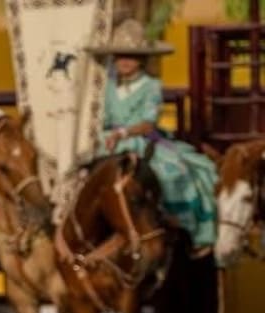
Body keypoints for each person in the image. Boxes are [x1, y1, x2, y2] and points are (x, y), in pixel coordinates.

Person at [88, 18, 217, 256]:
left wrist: (122, 132)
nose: (125, 61)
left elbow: (148, 124)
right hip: (106, 139)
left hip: (138, 139)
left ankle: (178, 222)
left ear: (143, 59)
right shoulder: (105, 86)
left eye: (131, 56)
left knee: (175, 170)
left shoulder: (151, 86)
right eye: (120, 55)